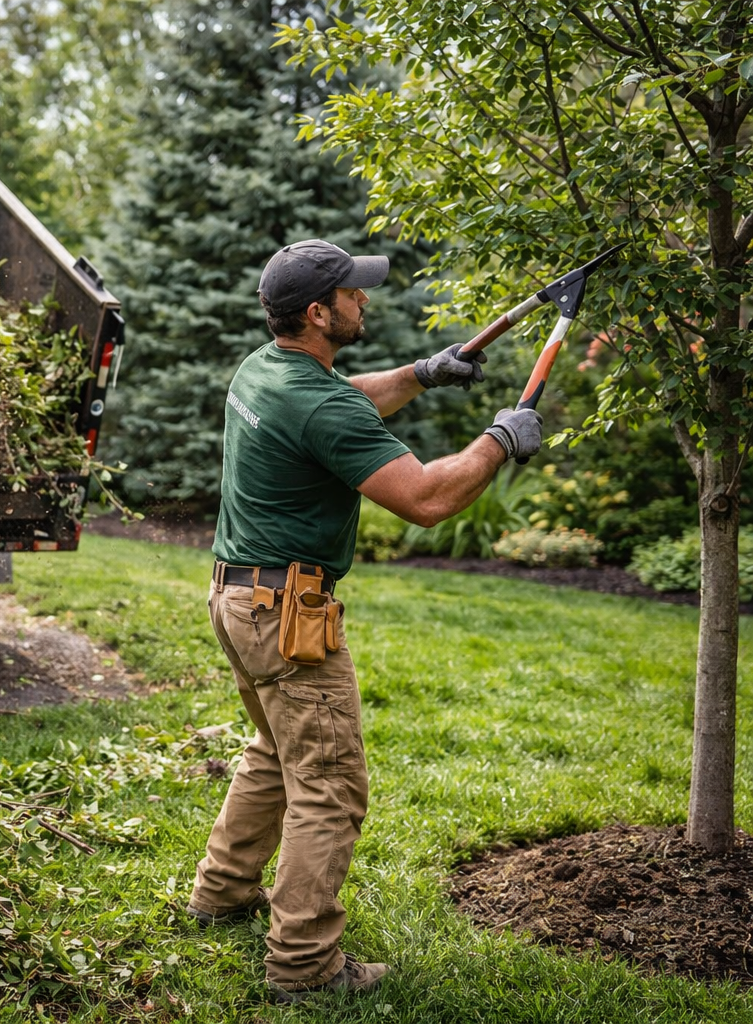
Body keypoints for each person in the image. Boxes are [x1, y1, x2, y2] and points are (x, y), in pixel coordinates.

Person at [185, 239, 542, 1003]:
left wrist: (423, 373)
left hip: (235, 598)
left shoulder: (265, 367)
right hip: (286, 612)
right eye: (353, 294)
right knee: (330, 784)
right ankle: (305, 969)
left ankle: (221, 892)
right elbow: (426, 499)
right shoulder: (322, 402)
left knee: (275, 754)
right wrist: (498, 440)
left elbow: (347, 403)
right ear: (318, 312)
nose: (365, 302)